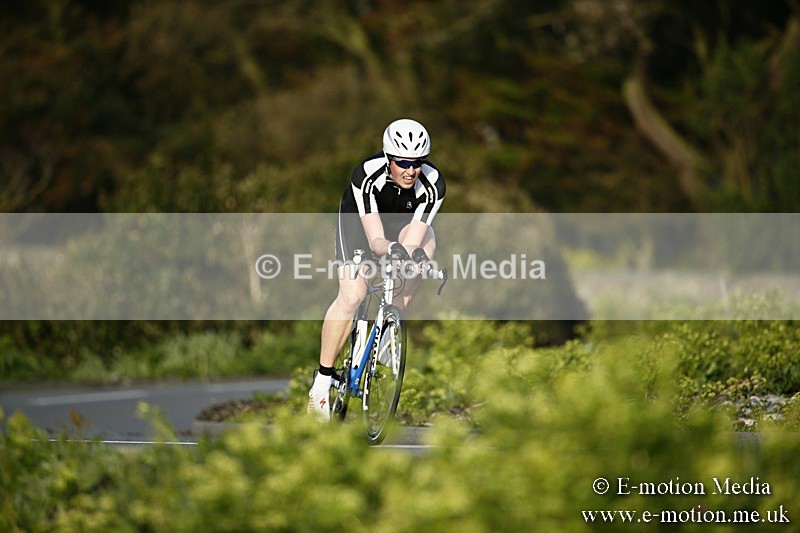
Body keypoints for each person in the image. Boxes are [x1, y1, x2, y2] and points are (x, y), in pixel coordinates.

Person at [308, 118, 446, 420]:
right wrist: (391, 251)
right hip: (360, 225)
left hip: (403, 225)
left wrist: (410, 259)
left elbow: (416, 234)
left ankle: (390, 325)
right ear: (388, 159)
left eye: (417, 163)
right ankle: (322, 380)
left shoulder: (434, 183)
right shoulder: (366, 175)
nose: (410, 171)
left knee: (422, 254)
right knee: (354, 294)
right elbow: (376, 240)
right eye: (403, 163)